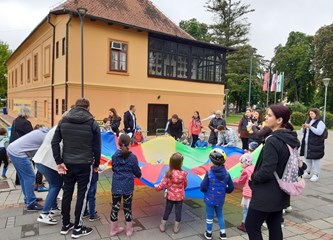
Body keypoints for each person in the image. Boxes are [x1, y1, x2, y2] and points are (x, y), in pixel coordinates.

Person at [245, 104, 300, 240]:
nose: (265, 118)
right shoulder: (289, 138)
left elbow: (266, 171)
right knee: (274, 225)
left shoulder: (273, 141)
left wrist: (253, 177)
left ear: (279, 120)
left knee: (251, 226)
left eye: (269, 116)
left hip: (266, 194)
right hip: (281, 191)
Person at [52, 98, 101, 238]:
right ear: (88, 108)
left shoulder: (63, 120)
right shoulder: (92, 123)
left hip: (67, 163)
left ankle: (65, 224)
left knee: (67, 193)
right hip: (85, 164)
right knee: (82, 195)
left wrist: (59, 161)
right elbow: (97, 147)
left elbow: (54, 142)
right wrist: (96, 164)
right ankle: (78, 228)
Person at [7, 126, 50, 211]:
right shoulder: (48, 136)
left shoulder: (44, 132)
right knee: (30, 178)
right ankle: (31, 203)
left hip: (12, 150)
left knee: (23, 178)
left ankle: (29, 198)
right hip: (18, 153)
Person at [110, 134, 142, 237]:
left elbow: (114, 169)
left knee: (115, 207)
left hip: (116, 185)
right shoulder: (132, 157)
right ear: (130, 144)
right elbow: (137, 172)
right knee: (127, 208)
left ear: (118, 143)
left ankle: (113, 229)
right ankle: (129, 230)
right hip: (128, 186)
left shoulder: (114, 156)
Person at [200, 149, 234, 240]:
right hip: (220, 199)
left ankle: (209, 233)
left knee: (209, 216)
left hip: (209, 200)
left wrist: (205, 191)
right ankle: (223, 234)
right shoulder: (227, 174)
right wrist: (224, 190)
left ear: (211, 160)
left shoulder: (209, 173)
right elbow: (231, 187)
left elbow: (203, 186)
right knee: (220, 215)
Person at [33, 126, 63, 225]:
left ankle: (53, 208)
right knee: (56, 185)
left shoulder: (57, 127)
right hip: (48, 161)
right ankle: (44, 214)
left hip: (41, 159)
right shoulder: (64, 128)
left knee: (53, 184)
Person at [155, 153, 188, 234]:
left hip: (170, 197)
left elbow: (162, 185)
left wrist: (156, 187)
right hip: (179, 197)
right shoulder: (183, 174)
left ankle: (162, 225)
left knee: (167, 210)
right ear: (181, 163)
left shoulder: (169, 173)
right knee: (178, 212)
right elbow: (185, 184)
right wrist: (181, 189)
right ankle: (176, 227)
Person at [300, 108, 326, 182]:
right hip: (307, 143)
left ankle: (316, 174)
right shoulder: (308, 121)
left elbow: (319, 132)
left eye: (312, 113)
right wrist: (303, 127)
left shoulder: (320, 122)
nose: (310, 115)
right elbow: (302, 132)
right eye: (309, 113)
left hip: (316, 144)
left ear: (316, 114)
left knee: (316, 159)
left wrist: (310, 127)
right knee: (307, 158)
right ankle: (308, 172)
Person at [9, 106, 33, 185]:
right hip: (22, 146)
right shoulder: (26, 122)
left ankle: (18, 180)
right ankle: (25, 181)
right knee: (26, 164)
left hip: (13, 145)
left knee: (19, 164)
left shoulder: (15, 121)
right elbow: (31, 135)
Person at [233, 153, 255, 233]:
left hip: (248, 193)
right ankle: (252, 224)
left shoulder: (245, 171)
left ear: (245, 163)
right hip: (254, 192)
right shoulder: (253, 167)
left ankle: (245, 225)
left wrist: (235, 179)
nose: (240, 164)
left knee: (245, 209)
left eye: (241, 163)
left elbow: (240, 181)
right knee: (251, 210)